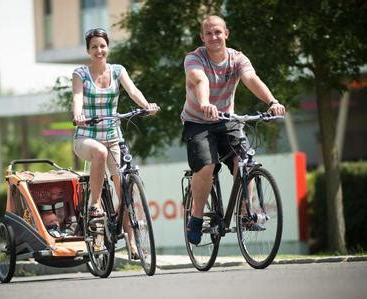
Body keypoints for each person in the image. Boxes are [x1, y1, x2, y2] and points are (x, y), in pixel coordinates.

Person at [181, 15, 286, 245]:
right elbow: (200, 81)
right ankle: (196, 217)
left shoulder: (237, 59)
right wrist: (205, 102)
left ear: (226, 33)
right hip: (198, 121)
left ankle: (243, 213)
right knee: (206, 166)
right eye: (208, 33)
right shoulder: (194, 58)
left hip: (228, 120)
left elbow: (251, 78)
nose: (213, 37)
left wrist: (272, 102)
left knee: (245, 161)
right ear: (202, 37)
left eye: (218, 32)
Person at [72, 28, 159, 258]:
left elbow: (133, 91)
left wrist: (146, 105)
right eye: (94, 47)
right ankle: (95, 205)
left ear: (107, 47)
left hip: (113, 137)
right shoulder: (80, 73)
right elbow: (77, 97)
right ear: (88, 51)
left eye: (102, 46)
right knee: (99, 152)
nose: (99, 50)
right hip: (86, 137)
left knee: (124, 190)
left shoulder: (118, 70)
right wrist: (78, 114)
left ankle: (132, 242)